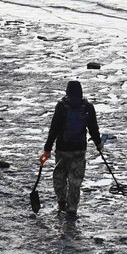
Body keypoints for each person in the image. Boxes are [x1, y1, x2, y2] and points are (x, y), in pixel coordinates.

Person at [40, 80, 102, 219]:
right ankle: (72, 209)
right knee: (75, 181)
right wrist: (98, 143)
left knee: (60, 177)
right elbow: (93, 128)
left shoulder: (62, 107)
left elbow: (54, 129)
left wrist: (47, 149)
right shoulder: (88, 107)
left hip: (62, 150)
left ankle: (61, 202)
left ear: (67, 92)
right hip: (79, 150)